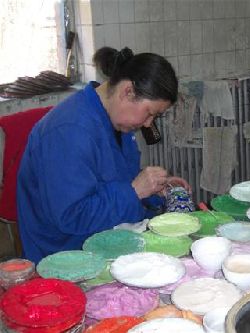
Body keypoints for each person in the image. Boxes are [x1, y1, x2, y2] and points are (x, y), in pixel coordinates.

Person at [17, 47, 190, 263]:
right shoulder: (70, 130)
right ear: (127, 91)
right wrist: (134, 191)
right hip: (66, 253)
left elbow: (114, 179)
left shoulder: (115, 121)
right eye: (149, 113)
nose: (148, 124)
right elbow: (72, 217)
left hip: (106, 232)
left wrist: (154, 189)